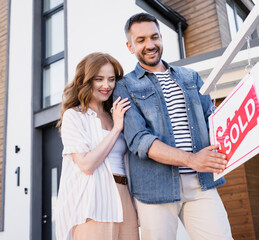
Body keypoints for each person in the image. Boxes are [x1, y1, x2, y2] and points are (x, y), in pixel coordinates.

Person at [113, 13, 233, 240]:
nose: (150, 45)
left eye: (154, 37)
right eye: (141, 40)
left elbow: (213, 119)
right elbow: (140, 140)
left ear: (161, 38)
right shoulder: (124, 86)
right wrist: (191, 159)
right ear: (130, 46)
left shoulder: (191, 77)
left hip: (201, 183)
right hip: (155, 190)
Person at [55, 52, 139, 240]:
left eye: (111, 79)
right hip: (95, 198)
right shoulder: (74, 116)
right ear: (86, 80)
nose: (106, 86)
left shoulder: (115, 113)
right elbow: (86, 165)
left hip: (125, 193)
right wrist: (117, 128)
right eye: (99, 79)